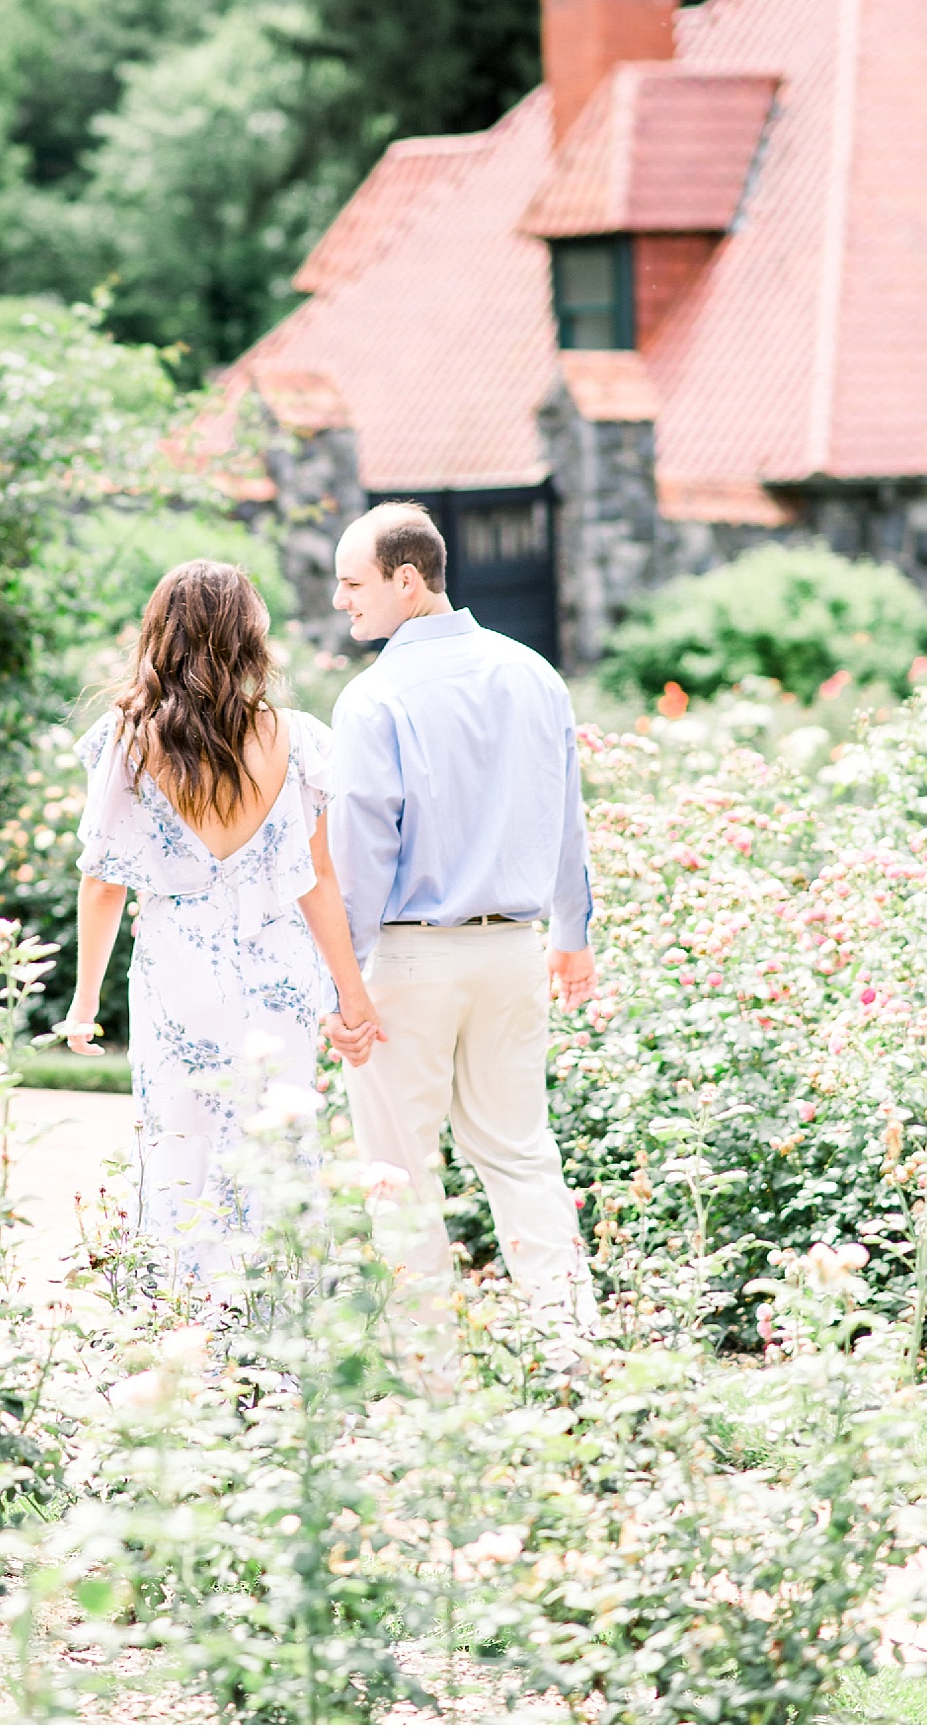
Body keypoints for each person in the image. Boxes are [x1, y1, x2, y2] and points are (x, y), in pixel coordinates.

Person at [62, 559, 381, 1283]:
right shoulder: (296, 739)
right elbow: (319, 881)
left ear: (161, 635)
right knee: (280, 1151)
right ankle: (276, 1336)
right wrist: (350, 996)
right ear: (249, 639)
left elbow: (103, 879)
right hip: (279, 977)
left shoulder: (130, 739)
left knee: (181, 1149)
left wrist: (84, 1004)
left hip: (180, 970)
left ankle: (184, 1332)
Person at [324, 501, 598, 1333]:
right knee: (520, 1157)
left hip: (406, 962)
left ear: (408, 581)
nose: (341, 600)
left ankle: (432, 1390)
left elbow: (362, 859)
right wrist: (570, 936)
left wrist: (344, 985)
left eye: (352, 582)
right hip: (514, 951)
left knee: (399, 1175)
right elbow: (566, 816)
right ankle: (572, 1352)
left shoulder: (373, 701)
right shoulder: (534, 672)